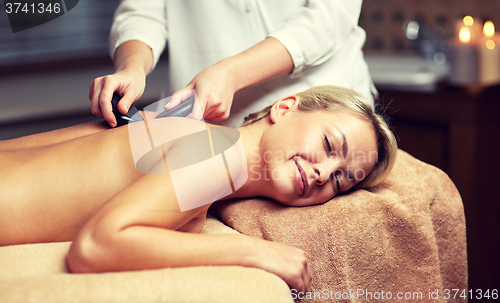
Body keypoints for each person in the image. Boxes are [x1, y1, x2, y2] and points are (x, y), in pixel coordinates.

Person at [0, 86, 397, 293]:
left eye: (343, 180)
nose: (324, 173)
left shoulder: (187, 128)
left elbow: (50, 152)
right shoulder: (219, 154)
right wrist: (257, 251)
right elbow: (96, 247)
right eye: (330, 146)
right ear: (285, 107)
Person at [90, 0, 376, 128]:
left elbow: (327, 19)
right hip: (204, 128)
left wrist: (230, 74)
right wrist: (132, 67)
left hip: (327, 114)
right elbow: (142, 11)